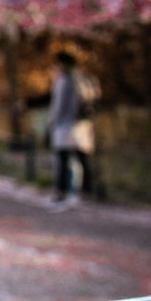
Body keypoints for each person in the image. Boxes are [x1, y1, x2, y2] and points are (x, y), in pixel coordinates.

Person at [46, 50, 95, 207]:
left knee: (63, 159)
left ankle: (60, 192)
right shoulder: (84, 78)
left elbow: (58, 106)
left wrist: (50, 125)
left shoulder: (64, 80)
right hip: (82, 125)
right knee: (82, 158)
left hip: (65, 125)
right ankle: (85, 191)